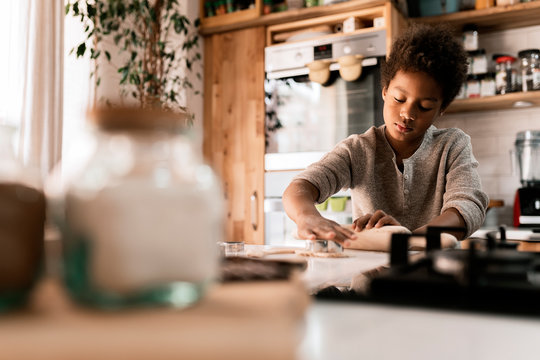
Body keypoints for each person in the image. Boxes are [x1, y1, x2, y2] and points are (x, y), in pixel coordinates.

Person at [282, 23, 489, 245]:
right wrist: (307, 216)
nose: (407, 113)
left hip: (433, 277)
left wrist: (405, 238)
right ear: (384, 91)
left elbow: (468, 208)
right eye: (399, 99)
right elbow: (301, 186)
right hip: (368, 279)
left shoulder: (452, 145)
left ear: (441, 110)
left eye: (425, 106)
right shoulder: (357, 150)